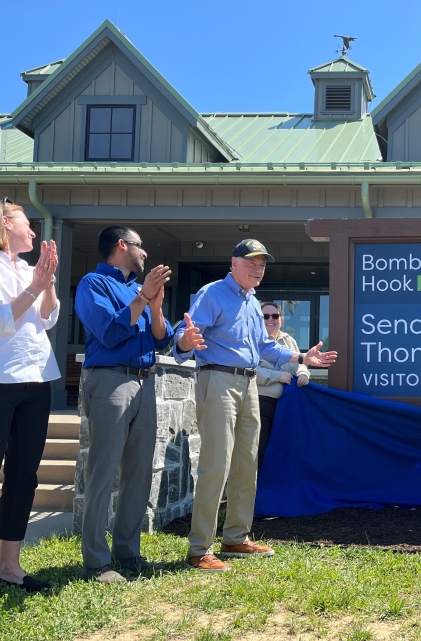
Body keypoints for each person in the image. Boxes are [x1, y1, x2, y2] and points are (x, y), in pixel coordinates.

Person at [174, 239, 337, 572]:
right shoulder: (212, 293)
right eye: (251, 262)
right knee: (216, 464)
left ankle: (235, 537)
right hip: (217, 379)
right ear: (233, 263)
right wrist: (184, 341)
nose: (258, 268)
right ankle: (199, 548)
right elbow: (186, 331)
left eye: (262, 264)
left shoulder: (251, 302)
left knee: (246, 464)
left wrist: (303, 356)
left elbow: (265, 346)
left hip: (248, 383)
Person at [75, 225, 173, 583]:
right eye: (139, 246)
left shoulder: (139, 290)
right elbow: (111, 333)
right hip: (110, 381)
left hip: (145, 383)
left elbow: (162, 341)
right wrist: (143, 298)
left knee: (139, 472)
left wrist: (156, 307)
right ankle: (96, 563)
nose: (145, 252)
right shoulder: (93, 284)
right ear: (121, 246)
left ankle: (128, 554)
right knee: (102, 473)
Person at [0, 199, 60, 592]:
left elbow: (48, 318)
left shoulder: (26, 268)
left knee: (24, 475)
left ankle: (9, 566)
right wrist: (35, 287)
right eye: (27, 225)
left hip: (38, 381)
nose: (34, 233)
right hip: (2, 380)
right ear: (5, 225)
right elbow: (3, 321)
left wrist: (48, 283)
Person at [257, 302, 310, 471]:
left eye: (275, 316)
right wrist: (277, 376)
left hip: (287, 405)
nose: (270, 319)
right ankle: (256, 493)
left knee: (285, 450)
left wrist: (303, 374)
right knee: (259, 450)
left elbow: (300, 363)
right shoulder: (252, 341)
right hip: (260, 403)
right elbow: (248, 370)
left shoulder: (289, 340)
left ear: (281, 319)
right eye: (265, 316)